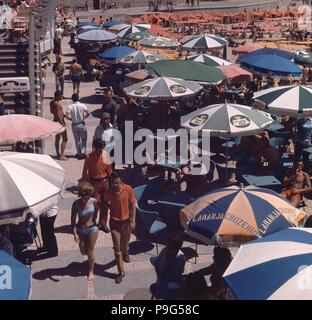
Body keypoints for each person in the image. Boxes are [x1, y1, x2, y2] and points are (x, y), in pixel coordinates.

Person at [103, 171, 136, 284]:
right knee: (117, 250)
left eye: (116, 183)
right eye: (112, 183)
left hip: (126, 223)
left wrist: (132, 220)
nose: (114, 185)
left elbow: (132, 205)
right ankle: (120, 272)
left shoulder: (128, 189)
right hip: (114, 223)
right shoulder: (109, 191)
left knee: (125, 244)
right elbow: (106, 202)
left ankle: (125, 253)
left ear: (121, 181)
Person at [82, 139, 113, 234]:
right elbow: (85, 173)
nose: (101, 151)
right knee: (95, 204)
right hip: (94, 183)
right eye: (99, 149)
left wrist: (111, 184)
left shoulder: (105, 155)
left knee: (105, 204)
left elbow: (110, 170)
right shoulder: (89, 157)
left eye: (102, 149)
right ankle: (93, 222)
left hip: (105, 182)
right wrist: (85, 185)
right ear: (94, 147)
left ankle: (103, 224)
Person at [71, 182, 99, 281]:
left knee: (90, 250)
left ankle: (91, 270)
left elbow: (99, 210)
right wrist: (74, 234)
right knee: (83, 251)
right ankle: (89, 258)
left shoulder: (94, 202)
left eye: (87, 196)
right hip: (80, 229)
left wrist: (96, 220)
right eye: (83, 196)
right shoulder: (76, 204)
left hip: (92, 228)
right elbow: (73, 220)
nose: (85, 199)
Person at [150, 234, 186, 299]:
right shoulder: (164, 250)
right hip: (162, 275)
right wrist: (159, 276)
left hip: (172, 279)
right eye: (170, 249)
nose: (171, 252)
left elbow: (179, 274)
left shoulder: (181, 258)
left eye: (175, 251)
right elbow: (157, 263)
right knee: (156, 290)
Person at [66, 93, 90, 159]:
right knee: (84, 139)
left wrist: (71, 119)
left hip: (75, 125)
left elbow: (67, 115)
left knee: (77, 140)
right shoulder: (82, 105)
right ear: (78, 98)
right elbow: (88, 113)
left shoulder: (70, 107)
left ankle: (79, 153)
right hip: (82, 124)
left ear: (72, 99)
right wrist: (84, 117)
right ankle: (83, 152)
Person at [50, 90, 68, 160]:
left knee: (57, 139)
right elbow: (58, 114)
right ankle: (62, 155)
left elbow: (52, 112)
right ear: (57, 96)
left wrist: (64, 115)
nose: (62, 97)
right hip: (60, 122)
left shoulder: (51, 103)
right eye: (61, 96)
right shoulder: (57, 104)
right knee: (65, 139)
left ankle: (58, 154)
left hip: (55, 121)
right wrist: (62, 123)